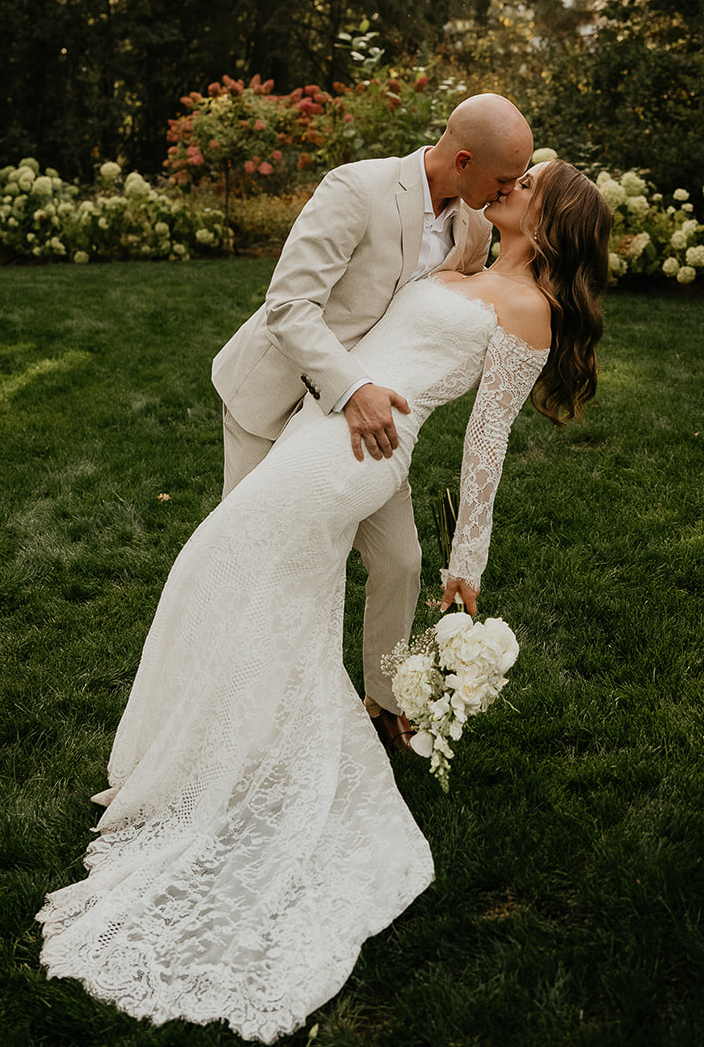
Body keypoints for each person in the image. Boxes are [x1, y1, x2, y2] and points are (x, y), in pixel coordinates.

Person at [36, 158, 613, 1043]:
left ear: (554, 218)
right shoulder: (462, 254)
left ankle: (199, 771)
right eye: (510, 171)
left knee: (216, 561)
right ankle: (187, 765)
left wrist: (471, 561)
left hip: (362, 455)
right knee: (252, 587)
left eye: (526, 181)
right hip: (324, 421)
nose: (508, 183)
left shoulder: (527, 310)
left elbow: (485, 449)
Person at [211, 93, 534, 748]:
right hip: (271, 402)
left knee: (401, 560)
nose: (507, 192)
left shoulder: (471, 226)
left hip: (356, 427)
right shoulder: (356, 189)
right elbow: (288, 307)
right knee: (249, 565)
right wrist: (352, 385)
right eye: (502, 180)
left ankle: (385, 707)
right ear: (463, 160)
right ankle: (227, 721)